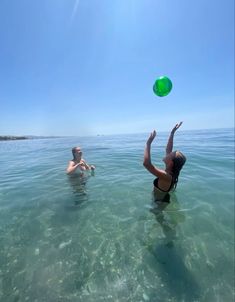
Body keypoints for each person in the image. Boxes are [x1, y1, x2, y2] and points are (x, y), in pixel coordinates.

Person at [143, 122, 186, 204]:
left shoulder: (166, 176)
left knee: (158, 215)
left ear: (171, 163)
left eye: (171, 154)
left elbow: (146, 164)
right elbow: (168, 149)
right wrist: (172, 133)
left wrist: (148, 144)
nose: (168, 152)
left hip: (160, 202)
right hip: (164, 197)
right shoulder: (171, 173)